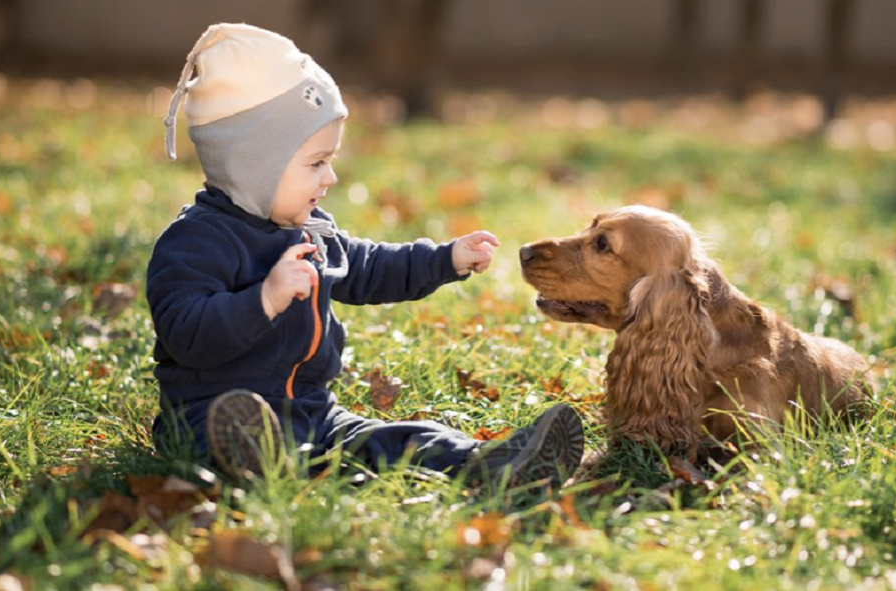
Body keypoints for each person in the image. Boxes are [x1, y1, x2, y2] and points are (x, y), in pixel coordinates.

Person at [147, 23, 583, 490]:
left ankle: (487, 462)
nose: (330, 177)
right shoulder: (194, 242)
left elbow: (371, 267)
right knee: (230, 435)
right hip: (205, 415)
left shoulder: (309, 232)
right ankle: (254, 460)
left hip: (311, 412)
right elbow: (186, 332)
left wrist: (446, 260)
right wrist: (264, 299)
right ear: (252, 167)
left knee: (393, 440)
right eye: (315, 163)